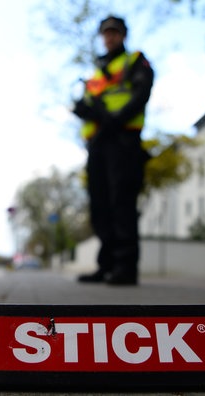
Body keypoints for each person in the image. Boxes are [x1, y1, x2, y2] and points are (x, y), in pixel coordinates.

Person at [72, 16, 154, 285]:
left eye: (114, 33)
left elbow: (141, 94)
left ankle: (126, 267)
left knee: (121, 202)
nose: (110, 38)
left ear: (123, 35)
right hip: (98, 144)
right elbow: (87, 104)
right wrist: (83, 109)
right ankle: (106, 265)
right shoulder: (97, 72)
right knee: (100, 205)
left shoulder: (134, 61)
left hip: (123, 141)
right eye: (106, 33)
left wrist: (115, 119)